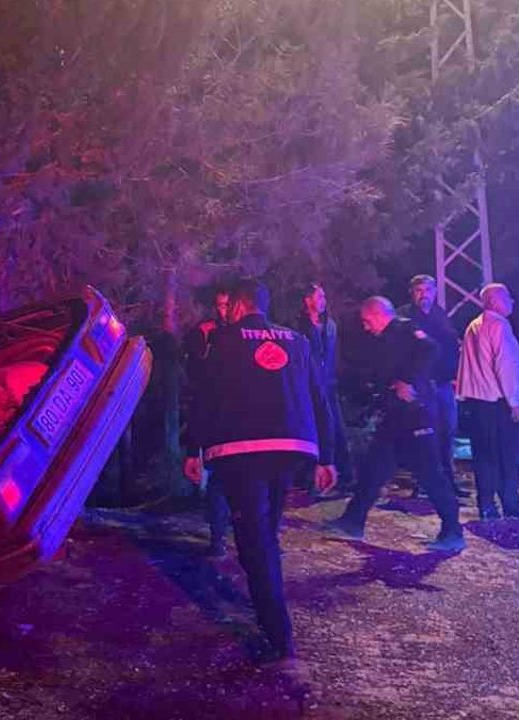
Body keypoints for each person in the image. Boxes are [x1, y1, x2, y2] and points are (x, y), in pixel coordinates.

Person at [182, 279, 337, 696]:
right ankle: (270, 604)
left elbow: (205, 398)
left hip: (243, 449)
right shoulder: (297, 341)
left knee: (255, 541)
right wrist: (328, 455)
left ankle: (279, 636)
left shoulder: (223, 341)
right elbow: (320, 398)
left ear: (238, 306)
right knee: (266, 533)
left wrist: (193, 449)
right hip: (290, 448)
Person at [321, 297, 466, 552]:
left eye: (367, 321)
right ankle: (353, 521)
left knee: (430, 473)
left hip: (416, 414)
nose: (365, 327)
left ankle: (453, 531)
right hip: (395, 415)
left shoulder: (404, 329)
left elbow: (430, 349)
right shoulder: (382, 340)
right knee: (373, 470)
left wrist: (407, 380)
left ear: (378, 314)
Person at [456, 283, 519, 522]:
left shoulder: (473, 326)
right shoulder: (499, 326)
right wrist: (514, 402)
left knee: (484, 456)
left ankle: (487, 507)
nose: (512, 301)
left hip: (478, 403)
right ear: (495, 301)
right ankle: (511, 505)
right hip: (499, 403)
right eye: (508, 297)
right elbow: (505, 367)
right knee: (508, 456)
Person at [398, 275, 471, 499]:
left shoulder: (441, 316)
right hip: (419, 385)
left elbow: (451, 348)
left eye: (428, 290)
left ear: (435, 292)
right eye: (419, 290)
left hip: (442, 384)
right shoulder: (405, 316)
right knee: (423, 434)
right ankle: (424, 483)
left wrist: (455, 376)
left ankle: (448, 480)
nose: (424, 295)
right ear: (412, 293)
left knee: (447, 432)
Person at [182, 287, 233, 556]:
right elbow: (197, 374)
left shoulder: (242, 335)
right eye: (220, 305)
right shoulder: (205, 332)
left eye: (227, 305)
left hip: (239, 418)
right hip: (215, 416)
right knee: (218, 479)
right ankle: (218, 536)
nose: (223, 311)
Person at [293, 283, 354, 496]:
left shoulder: (330, 325)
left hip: (328, 385)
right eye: (319, 296)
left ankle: (345, 476)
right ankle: (310, 478)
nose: (323, 301)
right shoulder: (298, 326)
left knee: (336, 429)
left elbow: (334, 355)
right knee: (313, 431)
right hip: (308, 387)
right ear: (307, 299)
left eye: (324, 297)